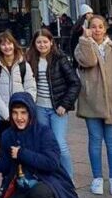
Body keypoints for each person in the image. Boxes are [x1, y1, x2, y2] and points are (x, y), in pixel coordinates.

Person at [0, 92, 81, 198]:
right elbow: (6, 167)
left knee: (39, 194)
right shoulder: (7, 135)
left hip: (47, 182)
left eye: (23, 113)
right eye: (15, 113)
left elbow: (52, 163)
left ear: (30, 113)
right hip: (22, 186)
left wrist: (22, 153)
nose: (19, 118)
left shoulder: (43, 132)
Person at [74, 14, 112, 196]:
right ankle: (97, 178)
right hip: (91, 102)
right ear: (88, 28)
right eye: (93, 26)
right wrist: (85, 41)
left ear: (105, 29)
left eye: (100, 27)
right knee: (94, 141)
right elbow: (89, 61)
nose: (97, 30)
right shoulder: (82, 46)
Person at [25, 29, 80, 179]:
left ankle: (68, 178)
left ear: (51, 42)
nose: (42, 45)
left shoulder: (60, 58)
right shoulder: (30, 60)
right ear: (34, 44)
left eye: (45, 41)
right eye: (39, 42)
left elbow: (75, 83)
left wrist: (65, 104)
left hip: (57, 109)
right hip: (39, 108)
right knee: (44, 143)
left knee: (59, 143)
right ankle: (51, 176)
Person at [0, 31, 37, 133]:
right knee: (6, 144)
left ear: (14, 44)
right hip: (3, 117)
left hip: (21, 114)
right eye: (3, 44)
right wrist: (6, 114)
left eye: (9, 43)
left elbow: (31, 88)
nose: (7, 47)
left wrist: (26, 108)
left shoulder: (24, 65)